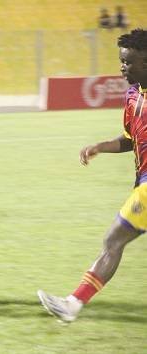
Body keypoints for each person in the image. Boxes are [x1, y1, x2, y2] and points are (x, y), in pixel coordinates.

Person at [38, 28, 147, 322]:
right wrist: (100, 146)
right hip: (142, 183)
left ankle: (72, 304)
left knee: (113, 241)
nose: (122, 67)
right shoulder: (133, 95)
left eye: (129, 62)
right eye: (121, 61)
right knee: (114, 242)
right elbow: (129, 139)